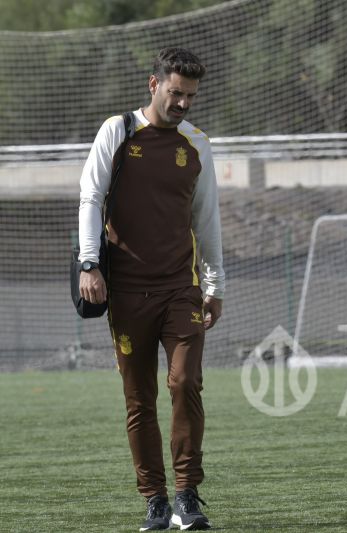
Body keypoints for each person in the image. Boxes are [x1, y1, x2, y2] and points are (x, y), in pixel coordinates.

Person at [78, 47, 224, 529]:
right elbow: (90, 197)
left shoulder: (197, 144)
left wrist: (215, 284)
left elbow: (207, 219)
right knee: (139, 399)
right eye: (176, 93)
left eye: (191, 96)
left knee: (185, 383)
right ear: (154, 84)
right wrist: (89, 264)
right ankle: (155, 500)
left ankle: (187, 496)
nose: (183, 103)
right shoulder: (117, 131)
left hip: (182, 288)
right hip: (125, 291)